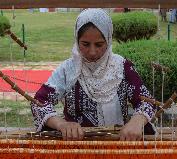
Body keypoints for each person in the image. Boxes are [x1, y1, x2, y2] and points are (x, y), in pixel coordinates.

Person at [31, 8, 156, 141]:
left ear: (108, 40)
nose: (92, 52)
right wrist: (61, 124)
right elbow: (39, 102)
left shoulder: (121, 68)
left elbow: (147, 102)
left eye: (99, 44)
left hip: (117, 146)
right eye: (85, 44)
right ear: (77, 40)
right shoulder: (68, 70)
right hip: (77, 148)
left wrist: (137, 121)